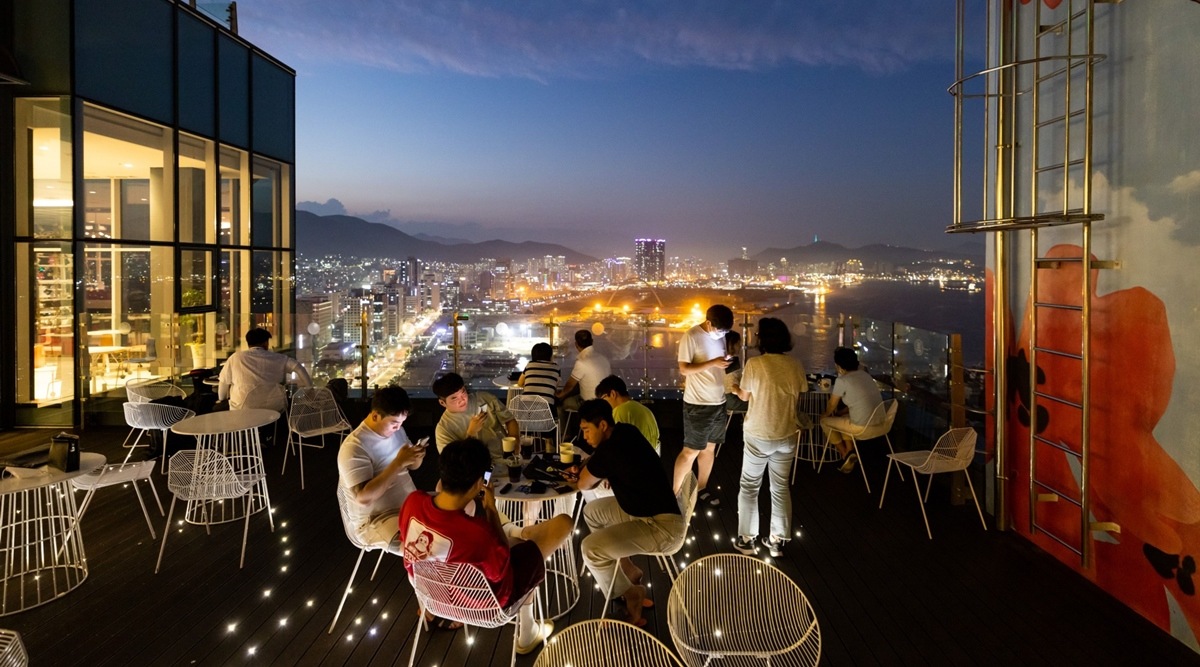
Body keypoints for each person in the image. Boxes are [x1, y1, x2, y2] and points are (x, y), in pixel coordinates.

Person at [399, 437, 572, 653]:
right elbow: (501, 570)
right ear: (479, 482)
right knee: (563, 524)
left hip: (430, 593)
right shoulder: (478, 534)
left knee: (520, 542)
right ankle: (528, 632)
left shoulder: (412, 501)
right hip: (487, 605)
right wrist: (490, 508)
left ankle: (521, 534)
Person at [576, 399, 685, 627]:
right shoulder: (625, 431)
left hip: (662, 527)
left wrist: (594, 470)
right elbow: (614, 463)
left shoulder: (609, 450)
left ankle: (629, 593)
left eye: (587, 430)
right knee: (592, 512)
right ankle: (627, 569)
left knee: (590, 549)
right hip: (646, 509)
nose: (584, 437)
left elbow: (584, 484)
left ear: (603, 425)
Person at [730, 318, 807, 558]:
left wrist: (734, 387)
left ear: (762, 339)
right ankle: (777, 542)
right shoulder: (795, 365)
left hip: (758, 434)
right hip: (787, 434)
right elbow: (798, 395)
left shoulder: (755, 364)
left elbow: (744, 396)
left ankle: (747, 540)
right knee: (780, 487)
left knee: (750, 486)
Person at [336, 386, 425, 552]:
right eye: (394, 423)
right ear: (375, 416)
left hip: (411, 506)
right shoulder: (354, 448)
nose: (398, 428)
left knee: (458, 514)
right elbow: (363, 498)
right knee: (420, 548)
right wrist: (398, 463)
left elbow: (413, 467)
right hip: (376, 519)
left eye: (401, 423)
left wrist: (416, 458)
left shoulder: (397, 432)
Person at [673, 304, 734, 507]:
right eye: (720, 330)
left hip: (718, 401)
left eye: (726, 331)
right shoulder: (691, 336)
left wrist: (724, 362)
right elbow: (684, 369)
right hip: (698, 403)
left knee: (709, 449)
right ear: (709, 323)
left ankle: (701, 487)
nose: (723, 334)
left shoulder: (721, 335)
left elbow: (716, 362)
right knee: (690, 451)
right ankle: (675, 494)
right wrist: (713, 363)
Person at [432, 372, 519, 466]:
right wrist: (471, 433)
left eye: (463, 392)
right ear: (442, 403)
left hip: (505, 458)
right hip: (476, 471)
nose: (462, 400)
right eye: (454, 398)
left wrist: (516, 441)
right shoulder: (443, 428)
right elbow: (453, 462)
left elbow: (509, 420)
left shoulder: (484, 398)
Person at [217, 327, 311, 412]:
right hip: (273, 409)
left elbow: (223, 382)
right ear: (266, 343)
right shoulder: (278, 358)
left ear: (248, 343)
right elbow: (299, 368)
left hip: (242, 409)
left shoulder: (235, 358)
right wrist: (309, 389)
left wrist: (221, 399)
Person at [821, 346, 884, 473]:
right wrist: (840, 413)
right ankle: (850, 452)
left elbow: (832, 405)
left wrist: (825, 415)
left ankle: (844, 453)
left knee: (824, 422)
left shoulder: (842, 380)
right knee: (843, 419)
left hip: (862, 428)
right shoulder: (865, 375)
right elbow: (859, 402)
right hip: (882, 424)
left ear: (838, 366)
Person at [595, 374, 660, 455]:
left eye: (603, 399)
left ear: (612, 394)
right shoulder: (645, 410)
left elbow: (613, 446)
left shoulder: (619, 411)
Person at [556, 329, 611, 410]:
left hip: (590, 403)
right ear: (592, 341)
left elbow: (570, 386)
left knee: (564, 404)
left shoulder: (581, 362)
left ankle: (569, 422)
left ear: (576, 344)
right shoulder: (604, 359)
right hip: (606, 403)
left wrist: (559, 395)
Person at [518, 342, 559, 408]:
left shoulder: (529, 365)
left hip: (525, 408)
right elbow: (555, 386)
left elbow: (520, 383)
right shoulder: (556, 367)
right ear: (550, 356)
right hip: (546, 410)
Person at [723, 330, 748, 414]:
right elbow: (734, 385)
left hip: (725, 399)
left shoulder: (723, 359)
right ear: (733, 344)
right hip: (733, 400)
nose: (740, 346)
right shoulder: (732, 361)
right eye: (738, 343)